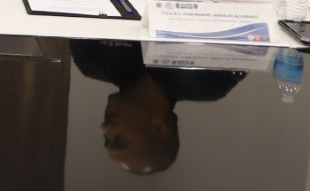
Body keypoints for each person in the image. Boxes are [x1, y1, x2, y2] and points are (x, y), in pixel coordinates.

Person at [71, 39, 245, 173]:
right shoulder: (212, 82)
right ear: (158, 128)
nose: (105, 126)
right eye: (119, 140)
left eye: (106, 139)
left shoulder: (92, 61)